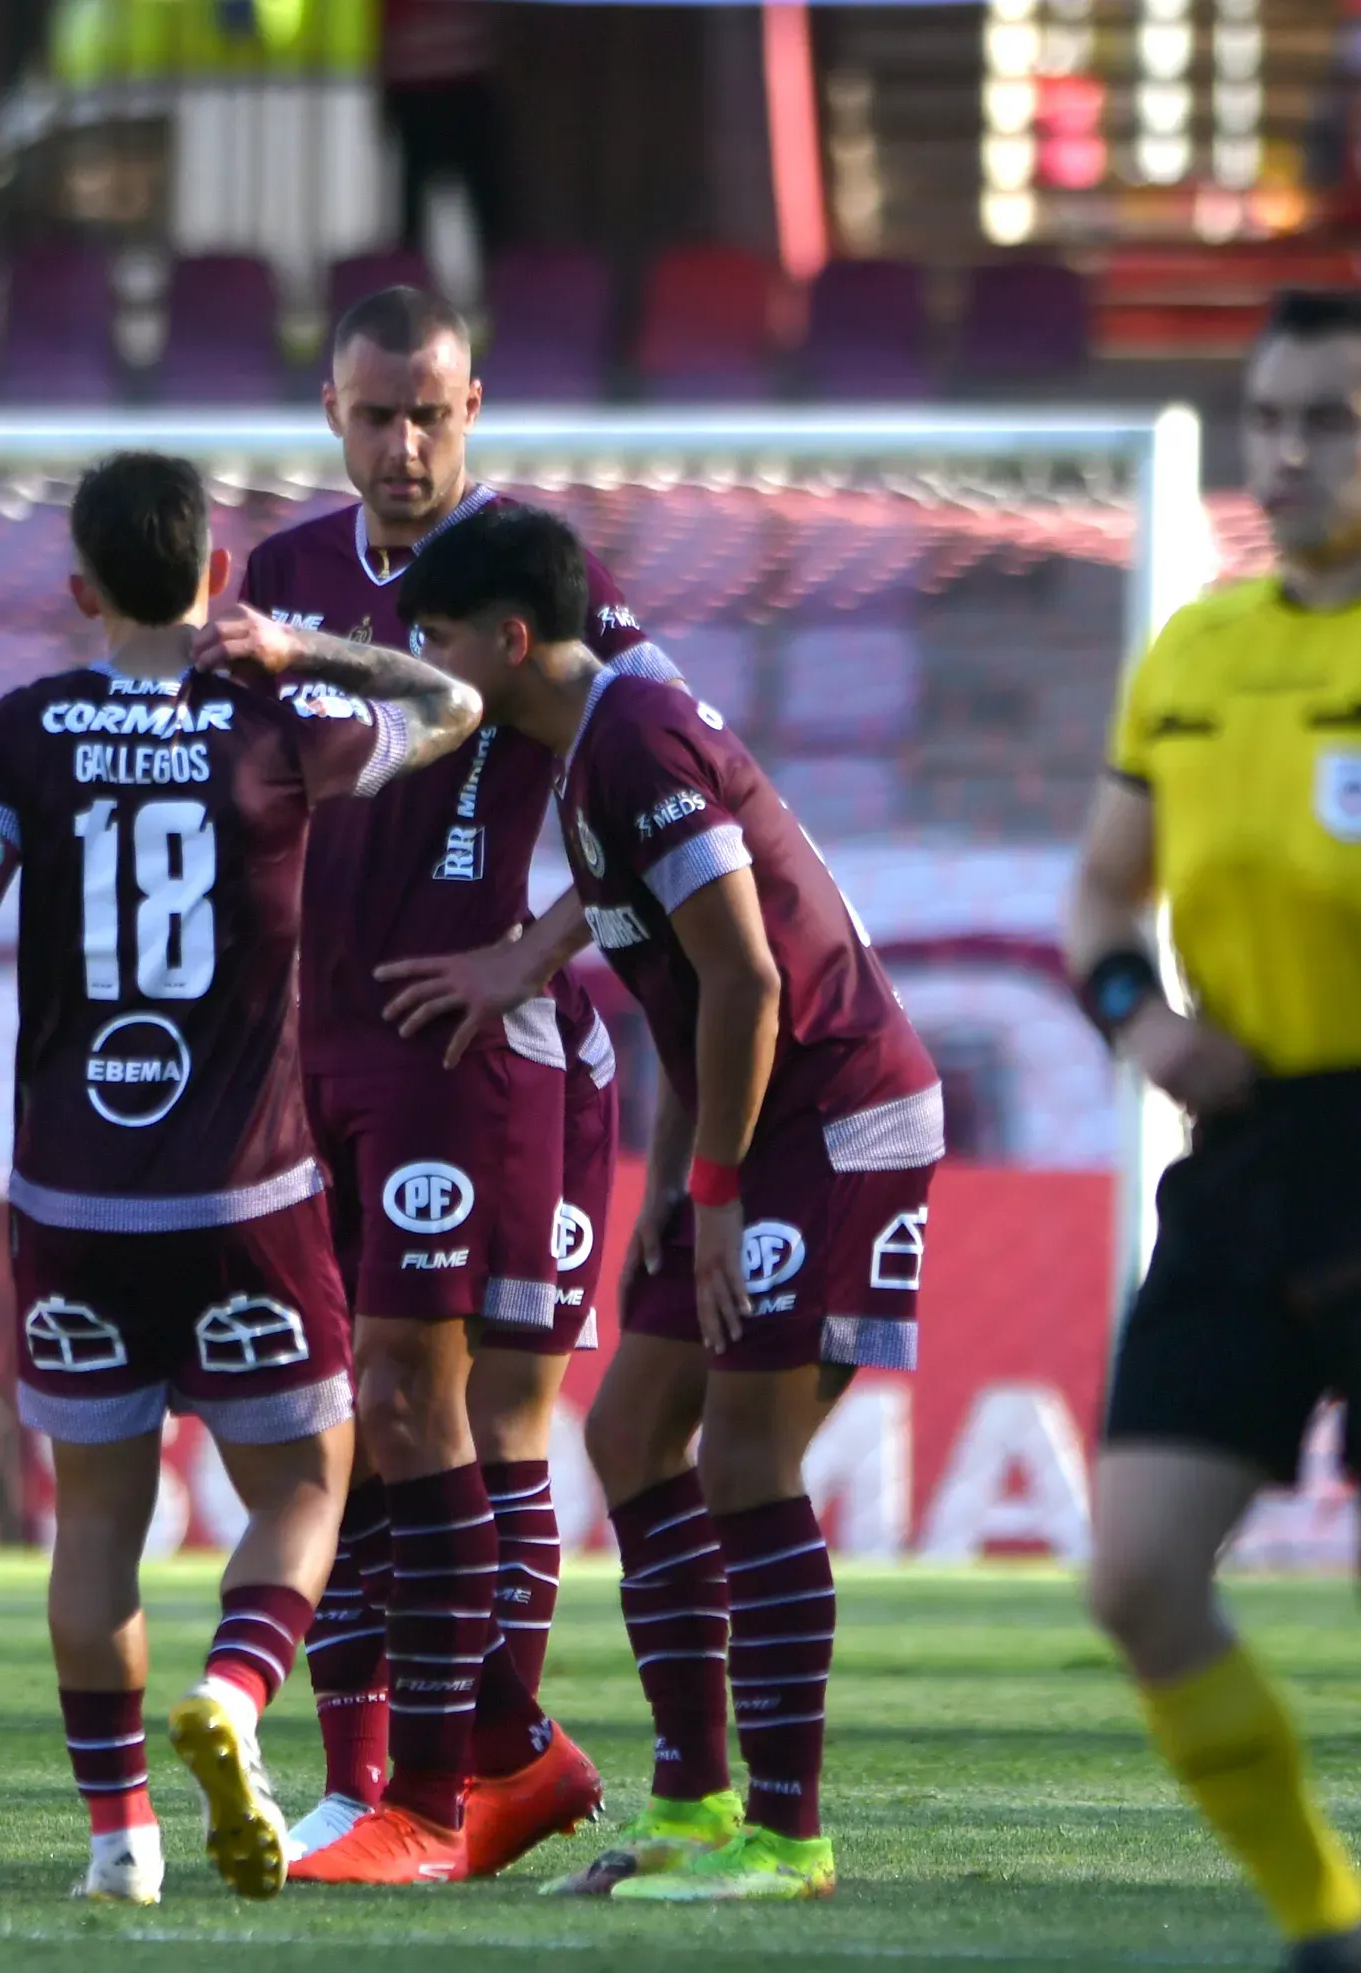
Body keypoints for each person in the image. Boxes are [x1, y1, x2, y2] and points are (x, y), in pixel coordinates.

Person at [0, 450, 482, 1904]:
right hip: (250, 1195)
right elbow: (457, 704)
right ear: (221, 577)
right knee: (302, 1481)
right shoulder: (282, 722)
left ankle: (121, 1841)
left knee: (99, 1516)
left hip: (75, 1201)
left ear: (81, 588)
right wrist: (308, 645)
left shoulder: (20, 733)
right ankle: (235, 1694)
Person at [402, 499, 944, 1904]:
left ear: (511, 641)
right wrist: (675, 1174)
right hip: (751, 1124)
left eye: (441, 641)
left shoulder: (636, 740)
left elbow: (757, 982)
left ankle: (788, 1836)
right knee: (635, 1433)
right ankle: (697, 1804)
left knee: (747, 1463)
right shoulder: (583, 754)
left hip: (834, 1115)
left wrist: (709, 1193)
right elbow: (686, 991)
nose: (428, 668)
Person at [206, 282, 666, 1884]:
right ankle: (372, 1781)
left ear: (476, 407)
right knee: (343, 1414)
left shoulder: (542, 577)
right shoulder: (281, 579)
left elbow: (673, 776)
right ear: (330, 416)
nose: (406, 445)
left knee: (474, 1411)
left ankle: (468, 1775)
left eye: (434, 414)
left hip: (481, 1057)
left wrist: (528, 956)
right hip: (312, 1052)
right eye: (376, 416)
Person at [1068, 288, 1361, 1973]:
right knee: (1138, 1582)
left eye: (1332, 420)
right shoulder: (1198, 650)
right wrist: (1142, 1020)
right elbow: (1104, 899)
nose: (1291, 450)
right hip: (1244, 1162)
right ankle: (1338, 1928)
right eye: (1270, 418)